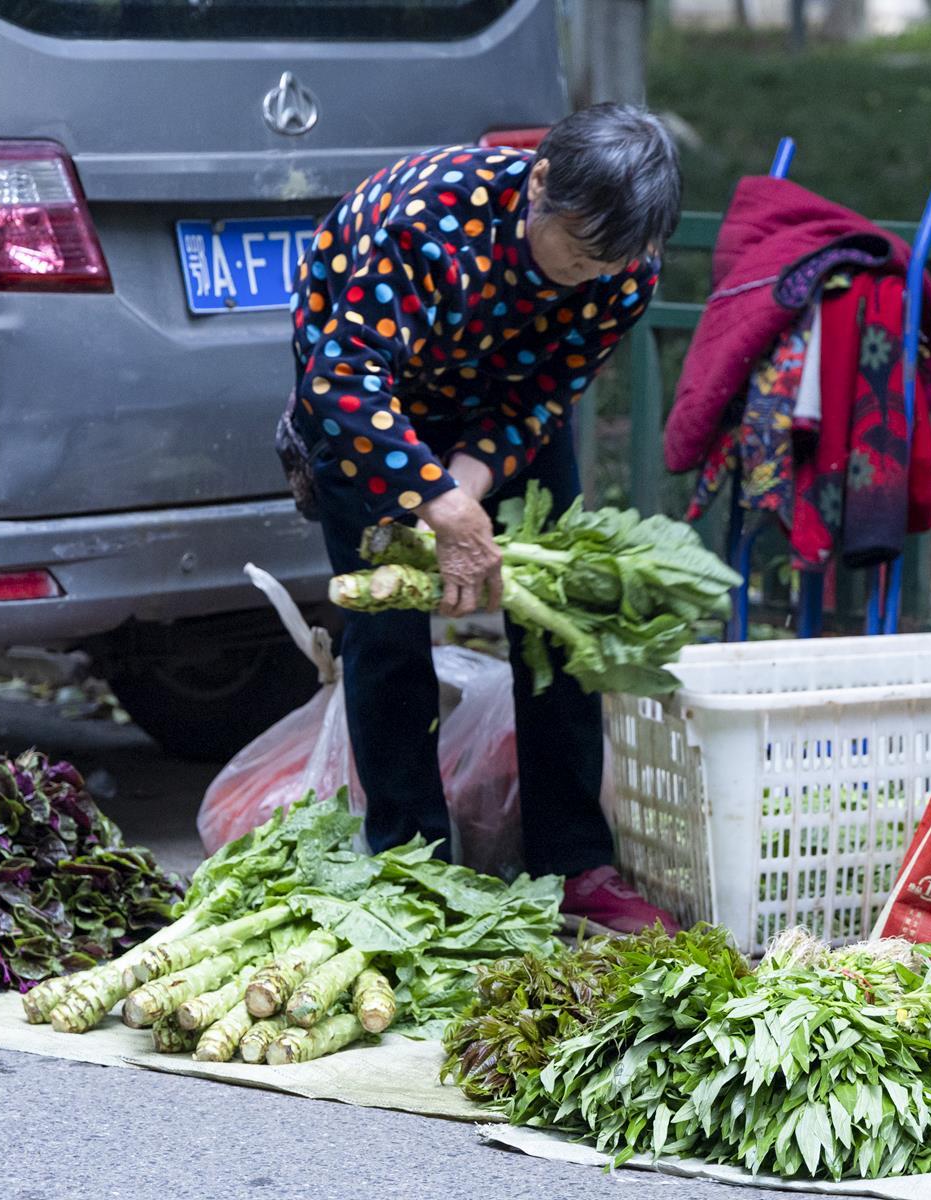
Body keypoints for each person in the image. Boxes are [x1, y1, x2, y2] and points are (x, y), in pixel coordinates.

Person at [284, 104, 681, 932]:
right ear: (539, 184)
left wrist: (465, 489)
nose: (589, 274)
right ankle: (411, 865)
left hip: (498, 410)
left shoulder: (624, 271)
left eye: (610, 260)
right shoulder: (428, 223)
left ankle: (575, 859)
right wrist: (435, 498)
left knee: (560, 616)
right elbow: (343, 382)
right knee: (389, 633)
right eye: (576, 252)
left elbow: (546, 393)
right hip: (373, 411)